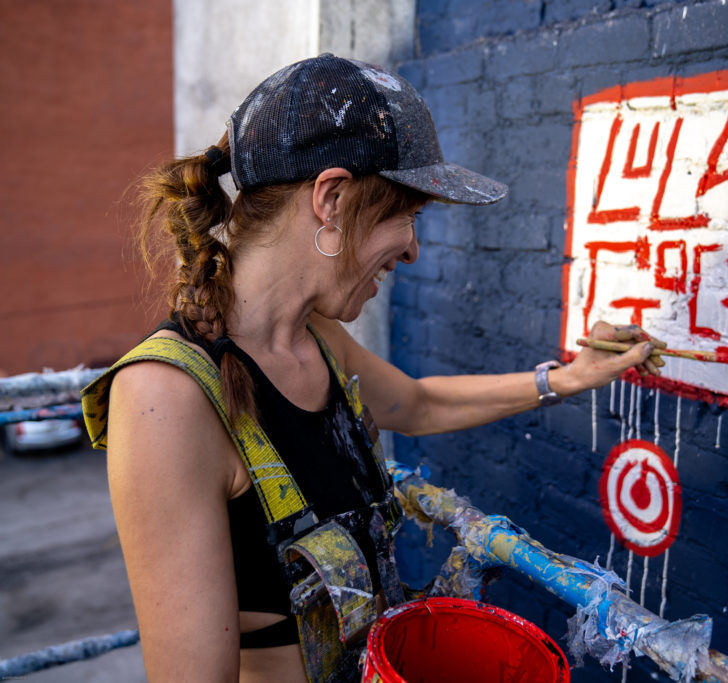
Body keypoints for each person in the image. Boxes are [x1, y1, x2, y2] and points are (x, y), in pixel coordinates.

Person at [91, 54, 664, 682]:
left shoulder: (320, 337)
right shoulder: (165, 399)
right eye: (407, 217)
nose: (413, 249)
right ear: (332, 199)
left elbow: (417, 404)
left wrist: (569, 378)